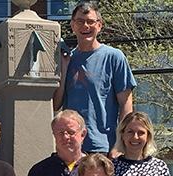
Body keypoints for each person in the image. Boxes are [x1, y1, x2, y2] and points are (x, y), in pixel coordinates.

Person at [52, 2, 137, 154]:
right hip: (72, 149)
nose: (85, 26)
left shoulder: (114, 57)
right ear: (72, 25)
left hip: (104, 147)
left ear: (99, 25)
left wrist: (120, 144)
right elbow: (55, 104)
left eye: (90, 22)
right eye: (80, 21)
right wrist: (64, 68)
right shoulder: (66, 59)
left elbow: (126, 104)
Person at [110, 111, 173, 176]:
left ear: (148, 136)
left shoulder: (159, 167)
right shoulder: (112, 167)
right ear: (122, 135)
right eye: (130, 132)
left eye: (141, 133)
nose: (135, 137)